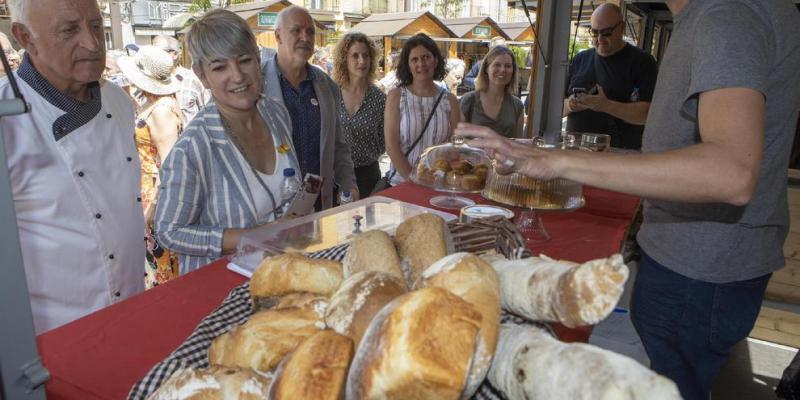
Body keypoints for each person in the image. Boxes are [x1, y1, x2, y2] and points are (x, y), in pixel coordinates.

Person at [457, 1, 800, 399]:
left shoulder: (726, 13)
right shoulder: (718, 16)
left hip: (701, 269)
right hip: (702, 262)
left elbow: (732, 170)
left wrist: (554, 161)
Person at [1, 0, 144, 333]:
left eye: (96, 26)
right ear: (25, 37)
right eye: (69, 30)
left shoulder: (118, 102)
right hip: (53, 334)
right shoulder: (6, 118)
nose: (93, 44)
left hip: (134, 308)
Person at [155, 10, 301, 273]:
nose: (237, 76)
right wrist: (250, 236)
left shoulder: (276, 113)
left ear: (258, 60)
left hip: (283, 271)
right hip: (222, 289)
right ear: (202, 75)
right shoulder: (193, 148)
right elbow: (169, 232)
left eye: (244, 60)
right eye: (220, 67)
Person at [261, 5, 358, 208]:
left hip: (318, 202)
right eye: (296, 30)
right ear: (278, 36)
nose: (305, 37)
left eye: (310, 32)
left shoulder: (326, 85)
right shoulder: (256, 84)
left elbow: (338, 144)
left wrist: (349, 183)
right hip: (273, 206)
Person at [118, 45, 183, 288]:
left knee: (161, 268)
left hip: (155, 194)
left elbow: (168, 164)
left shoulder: (162, 111)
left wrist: (153, 208)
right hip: (145, 189)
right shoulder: (156, 104)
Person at [563, 3, 658, 150]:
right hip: (576, 154)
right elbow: (557, 107)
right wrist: (570, 104)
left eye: (606, 32)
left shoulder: (643, 62)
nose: (599, 38)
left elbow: (647, 115)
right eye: (594, 32)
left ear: (621, 28)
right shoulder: (580, 59)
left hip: (618, 157)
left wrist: (606, 106)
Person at [384, 33, 460, 186]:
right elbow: (392, 147)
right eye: (415, 59)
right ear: (408, 64)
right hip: (402, 185)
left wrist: (439, 178)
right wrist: (414, 180)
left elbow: (456, 145)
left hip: (439, 186)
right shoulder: (396, 97)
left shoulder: (450, 101)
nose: (421, 63)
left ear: (436, 60)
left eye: (426, 57)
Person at [332, 32, 386, 197]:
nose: (361, 61)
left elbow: (385, 142)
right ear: (344, 59)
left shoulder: (380, 99)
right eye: (355, 56)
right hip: (334, 177)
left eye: (366, 55)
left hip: (367, 177)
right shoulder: (330, 93)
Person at [459, 45, 524, 138]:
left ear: (513, 71)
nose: (502, 70)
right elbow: (458, 142)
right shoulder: (469, 100)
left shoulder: (517, 106)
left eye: (508, 66)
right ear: (486, 68)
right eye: (497, 65)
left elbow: (517, 145)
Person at [152, 34, 208, 125]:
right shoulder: (150, 81)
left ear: (175, 54)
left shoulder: (193, 79)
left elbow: (207, 111)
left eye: (159, 52)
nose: (154, 57)